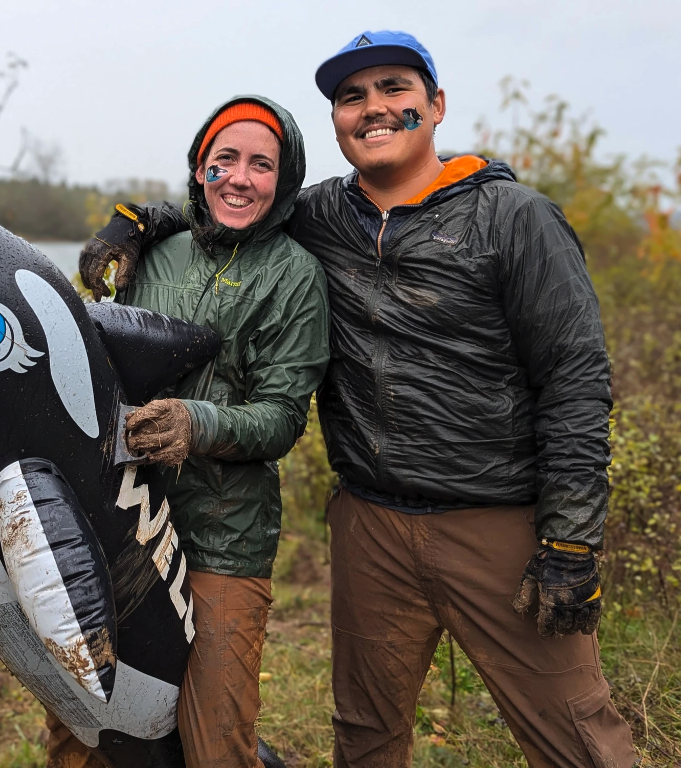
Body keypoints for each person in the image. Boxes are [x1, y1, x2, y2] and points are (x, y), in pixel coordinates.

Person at [77, 32, 636, 768]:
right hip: (370, 522)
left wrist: (569, 539)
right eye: (350, 96)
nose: (373, 107)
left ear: (434, 106)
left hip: (497, 521)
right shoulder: (320, 215)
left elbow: (573, 379)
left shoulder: (513, 218)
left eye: (393, 89)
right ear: (336, 122)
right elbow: (227, 201)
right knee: (366, 736)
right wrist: (137, 219)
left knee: (576, 737)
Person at [48, 96, 329, 768]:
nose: (239, 176)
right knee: (86, 727)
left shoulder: (297, 277)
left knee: (215, 737)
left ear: (283, 179)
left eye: (261, 164)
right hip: (123, 523)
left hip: (223, 538)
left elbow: (282, 417)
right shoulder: (154, 255)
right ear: (198, 170)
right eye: (223, 159)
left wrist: (193, 422)